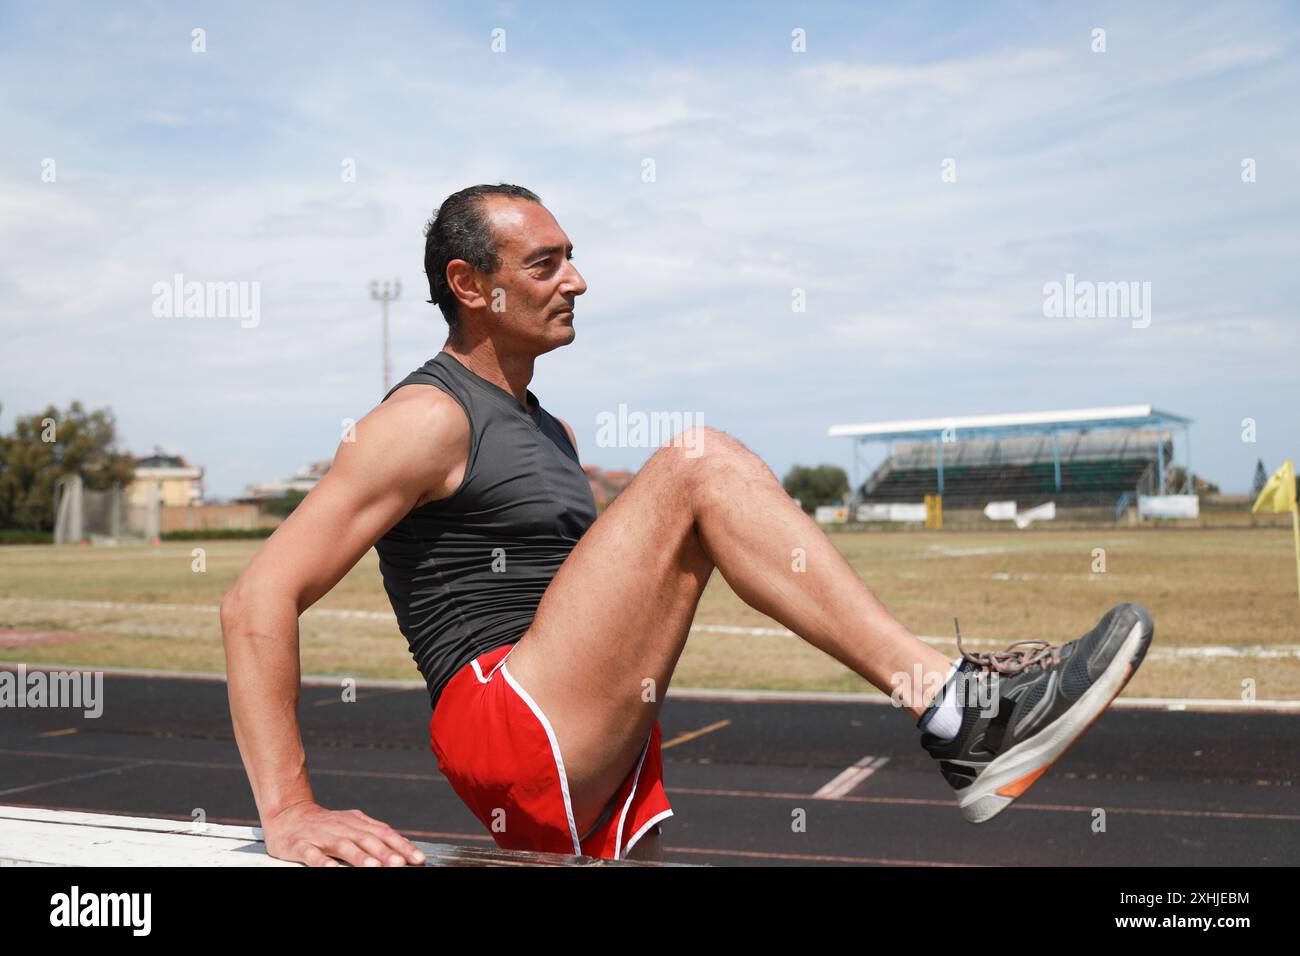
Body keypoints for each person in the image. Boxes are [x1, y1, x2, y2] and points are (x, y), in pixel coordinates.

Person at [219, 183, 1155, 866]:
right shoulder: (424, 417)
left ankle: (960, 714)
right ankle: (956, 711)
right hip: (506, 716)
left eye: (571, 255)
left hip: (587, 720)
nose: (576, 280)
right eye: (545, 263)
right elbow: (257, 599)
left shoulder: (550, 430)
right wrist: (290, 807)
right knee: (697, 465)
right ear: (471, 284)